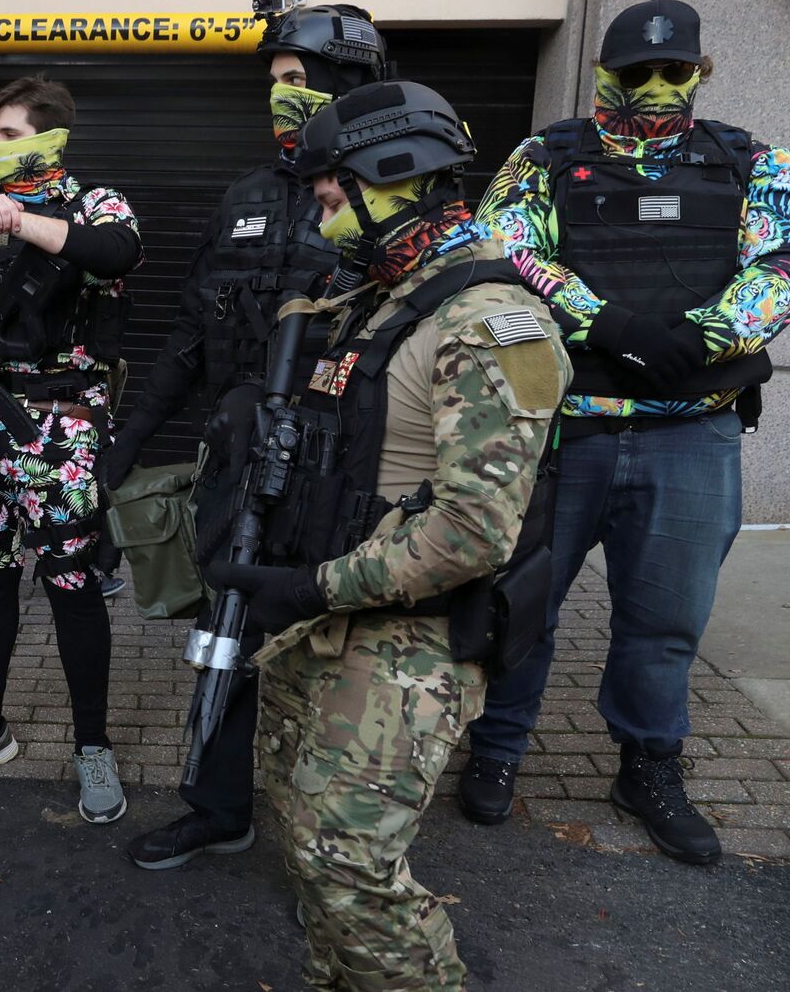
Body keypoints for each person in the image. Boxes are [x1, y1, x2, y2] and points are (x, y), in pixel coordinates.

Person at [211, 80, 569, 989]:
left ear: (395, 174)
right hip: (322, 623)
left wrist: (314, 586)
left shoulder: (491, 322)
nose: (320, 203)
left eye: (333, 186)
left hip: (408, 641)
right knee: (305, 844)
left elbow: (473, 530)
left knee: (350, 868)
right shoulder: (370, 298)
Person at [458, 0, 790, 865]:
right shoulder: (546, 156)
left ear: (700, 71)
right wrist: (612, 326)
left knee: (666, 619)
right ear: (604, 73)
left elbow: (780, 262)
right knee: (522, 601)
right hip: (564, 429)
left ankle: (647, 768)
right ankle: (495, 749)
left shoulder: (748, 160)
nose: (654, 86)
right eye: (634, 72)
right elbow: (503, 249)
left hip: (692, 433)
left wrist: (705, 339)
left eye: (673, 71)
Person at [106, 4, 388, 871]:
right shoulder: (245, 198)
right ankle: (219, 806)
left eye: (295, 82)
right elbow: (192, 332)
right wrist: (128, 440)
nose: (279, 99)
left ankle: (337, 842)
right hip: (243, 457)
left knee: (335, 649)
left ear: (347, 84)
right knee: (226, 626)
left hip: (338, 469)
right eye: (273, 84)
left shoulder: (385, 200)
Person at [0, 76, 141, 823]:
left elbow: (116, 252)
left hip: (60, 429)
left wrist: (13, 218)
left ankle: (92, 746)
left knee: (72, 585)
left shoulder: (95, 203)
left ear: (50, 138)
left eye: (9, 133)